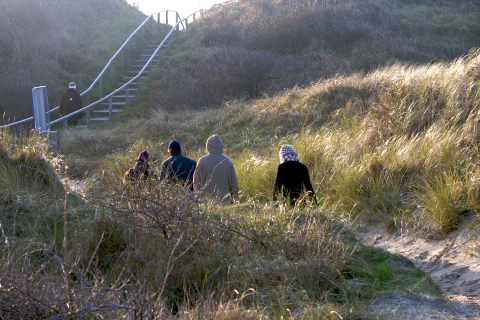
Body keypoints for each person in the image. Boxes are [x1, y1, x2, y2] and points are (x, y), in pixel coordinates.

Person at [193, 134, 239, 205]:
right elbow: (234, 184)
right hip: (224, 204)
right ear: (221, 146)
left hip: (205, 204)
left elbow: (196, 181)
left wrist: (197, 198)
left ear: (208, 146)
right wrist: (235, 200)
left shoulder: (202, 161)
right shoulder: (228, 161)